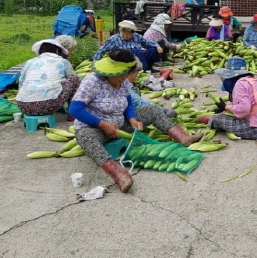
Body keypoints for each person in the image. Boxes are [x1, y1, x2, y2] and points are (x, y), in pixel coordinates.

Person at [68, 49, 202, 193]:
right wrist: (102, 124)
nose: (124, 78)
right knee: (85, 137)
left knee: (151, 110)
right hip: (95, 128)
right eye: (121, 74)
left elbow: (128, 103)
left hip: (121, 123)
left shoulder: (123, 82)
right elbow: (74, 109)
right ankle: (119, 173)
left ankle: (183, 137)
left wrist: (132, 118)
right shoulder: (92, 81)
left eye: (126, 73)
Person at [197, 57, 257, 140]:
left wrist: (226, 107)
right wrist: (228, 106)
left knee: (218, 119)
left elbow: (244, 108)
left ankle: (210, 121)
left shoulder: (239, 84)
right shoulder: (252, 80)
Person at [16, 39, 80, 116]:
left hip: (23, 105)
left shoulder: (30, 62)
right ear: (57, 51)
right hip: (48, 105)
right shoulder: (63, 61)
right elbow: (72, 78)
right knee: (74, 78)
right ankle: (72, 113)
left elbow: (21, 82)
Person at [92, 20, 164, 73]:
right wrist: (95, 63)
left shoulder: (136, 36)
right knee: (136, 51)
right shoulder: (114, 39)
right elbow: (102, 50)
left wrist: (157, 46)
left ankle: (149, 68)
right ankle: (142, 70)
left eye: (128, 34)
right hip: (123, 60)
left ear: (132, 33)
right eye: (123, 33)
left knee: (153, 50)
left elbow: (147, 42)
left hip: (140, 57)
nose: (125, 36)